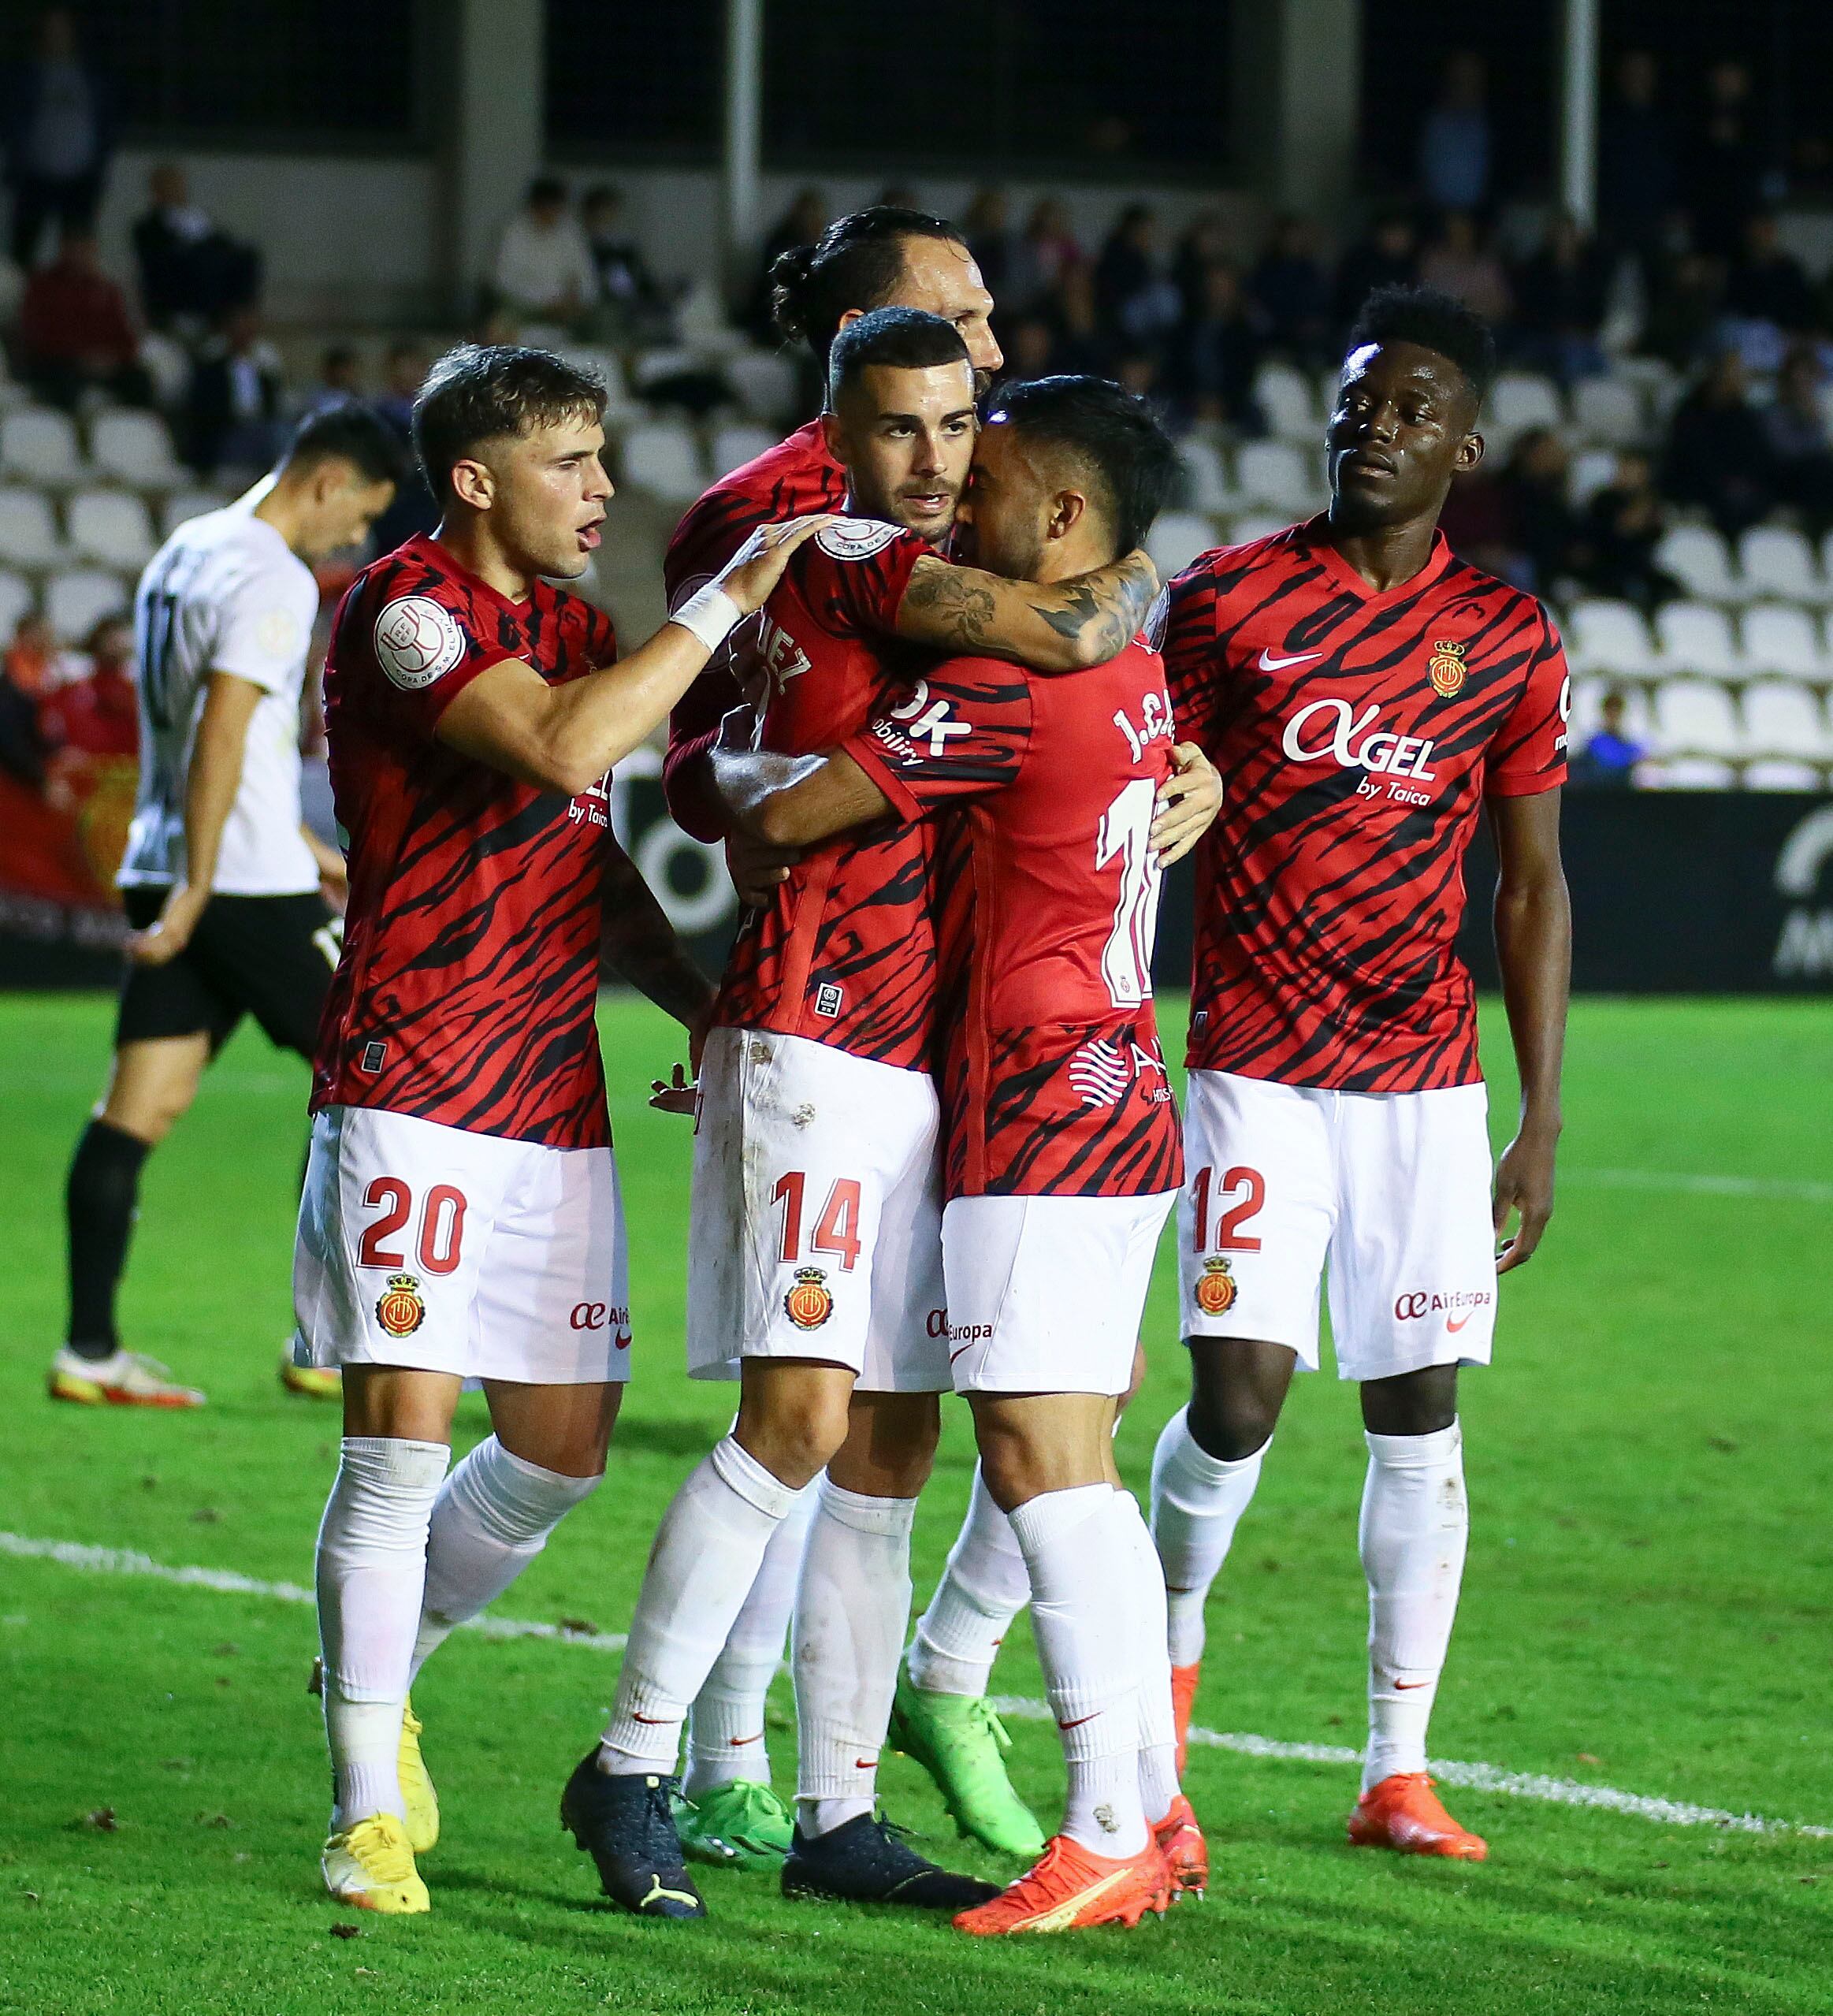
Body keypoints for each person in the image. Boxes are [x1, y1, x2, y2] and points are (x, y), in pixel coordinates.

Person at [560, 309, 1166, 1917]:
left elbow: (703, 779)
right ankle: (628, 1765)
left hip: (919, 1051)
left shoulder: (861, 571)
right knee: (800, 1420)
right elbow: (1054, 632)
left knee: (888, 1435)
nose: (927, 463)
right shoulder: (842, 542)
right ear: (833, 431)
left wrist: (739, 774)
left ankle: (833, 1811)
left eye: (954, 427)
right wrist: (1136, 577)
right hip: (819, 1033)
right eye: (894, 428)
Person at [295, 342, 831, 1917]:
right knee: (397, 1446)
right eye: (569, 463)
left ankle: (377, 1674)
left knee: (556, 1451)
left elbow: (584, 850)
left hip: (549, 1091)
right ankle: (357, 1811)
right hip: (414, 1086)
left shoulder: (579, 629)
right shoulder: (404, 613)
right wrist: (724, 600)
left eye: (601, 459)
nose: (602, 491)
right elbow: (559, 750)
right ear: (473, 478)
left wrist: (689, 994)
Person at [706, 372, 1221, 1936]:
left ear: (1060, 513)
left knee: (1035, 1465)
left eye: (988, 479)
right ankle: (1150, 1803)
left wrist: (720, 763)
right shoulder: (1133, 664)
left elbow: (799, 822)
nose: (960, 509)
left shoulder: (1010, 682)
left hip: (1036, 1096)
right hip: (1128, 1078)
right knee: (1080, 1472)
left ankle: (1099, 1827)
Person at [1147, 285, 1572, 1865]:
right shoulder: (1226, 602)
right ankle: (1159, 1714)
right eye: (1353, 402)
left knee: (1417, 1415)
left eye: (1407, 410)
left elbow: (1529, 884)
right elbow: (1142, 791)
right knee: (1237, 1399)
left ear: (1460, 446)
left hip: (1418, 1083)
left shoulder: (1504, 636)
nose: (1372, 428)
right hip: (1255, 1062)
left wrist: (1532, 1118)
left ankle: (1396, 1767)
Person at [47, 407, 405, 1413]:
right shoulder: (272, 574)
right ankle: (325, 1341)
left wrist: (294, 850)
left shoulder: (186, 548)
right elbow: (219, 731)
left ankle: (89, 1349)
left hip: (175, 864)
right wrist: (219, 882)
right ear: (328, 480)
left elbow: (198, 747)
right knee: (375, 1074)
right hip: (229, 883)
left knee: (137, 1107)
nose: (351, 544)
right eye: (358, 519)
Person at [2, 6, 113, 270]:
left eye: (62, 29)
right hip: (34, 175)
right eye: (51, 30)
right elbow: (13, 119)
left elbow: (107, 120)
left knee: (76, 251)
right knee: (22, 249)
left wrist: (97, 164)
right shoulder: (27, 75)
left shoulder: (90, 75)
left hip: (80, 177)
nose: (57, 36)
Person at [17, 230, 150, 410]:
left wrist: (113, 358)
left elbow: (125, 336)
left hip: (103, 363)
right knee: (62, 383)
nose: (81, 256)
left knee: (139, 381)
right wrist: (80, 357)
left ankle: (134, 432)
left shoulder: (106, 290)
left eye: (86, 250)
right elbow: (36, 335)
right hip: (59, 361)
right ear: (64, 250)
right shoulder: (42, 287)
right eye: (75, 249)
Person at [130, 161, 261, 332]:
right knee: (203, 262)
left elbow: (222, 241)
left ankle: (239, 316)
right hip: (179, 279)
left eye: (178, 185)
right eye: (170, 186)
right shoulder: (147, 225)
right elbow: (159, 258)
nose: (176, 190)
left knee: (245, 257)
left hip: (209, 266)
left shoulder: (196, 217)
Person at [1664, 348, 1775, 539]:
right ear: (1718, 374)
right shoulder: (1691, 412)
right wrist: (1725, 482)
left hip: (1738, 485)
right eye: (1735, 371)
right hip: (1698, 484)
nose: (1741, 377)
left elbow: (1759, 455)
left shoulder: (1744, 414)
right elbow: (1690, 458)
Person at [184, 307, 286, 478]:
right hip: (228, 428)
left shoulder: (263, 374)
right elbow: (202, 410)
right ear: (229, 331)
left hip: (260, 427)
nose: (243, 334)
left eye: (248, 329)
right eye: (239, 328)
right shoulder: (211, 372)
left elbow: (272, 408)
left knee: (282, 433)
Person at [490, 176, 595, 332]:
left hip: (567, 314)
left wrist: (576, 299)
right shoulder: (513, 233)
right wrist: (546, 302)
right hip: (525, 311)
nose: (551, 214)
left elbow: (587, 277)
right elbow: (504, 281)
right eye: (547, 208)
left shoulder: (570, 233)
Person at [1417, 50, 1491, 214]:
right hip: (1433, 213)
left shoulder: (1492, 124)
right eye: (1458, 79)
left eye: (1470, 78)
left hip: (1482, 215)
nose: (1464, 84)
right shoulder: (1433, 123)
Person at [1567, 690, 1644, 789]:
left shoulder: (1628, 743)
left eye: (1617, 711)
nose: (1613, 716)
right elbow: (1603, 767)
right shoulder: (1595, 741)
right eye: (1610, 711)